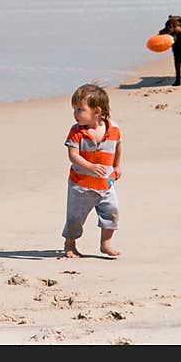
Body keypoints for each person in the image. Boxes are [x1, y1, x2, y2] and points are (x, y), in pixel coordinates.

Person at [62, 84, 123, 258]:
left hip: (106, 184)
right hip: (80, 185)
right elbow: (73, 156)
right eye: (74, 109)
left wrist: (117, 166)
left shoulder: (114, 129)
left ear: (96, 111)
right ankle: (70, 244)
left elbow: (117, 147)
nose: (75, 114)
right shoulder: (77, 132)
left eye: (80, 109)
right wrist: (90, 167)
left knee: (111, 212)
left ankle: (106, 243)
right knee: (75, 218)